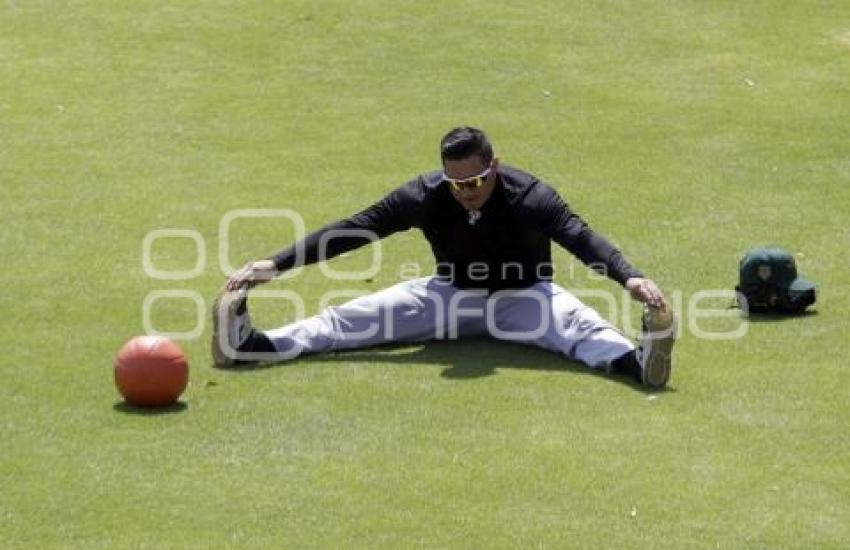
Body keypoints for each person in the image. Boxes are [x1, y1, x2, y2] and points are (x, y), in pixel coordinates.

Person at [212, 126, 676, 387]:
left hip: (526, 299)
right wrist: (277, 263)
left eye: (475, 181)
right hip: (449, 295)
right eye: (456, 184)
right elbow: (358, 228)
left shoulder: (530, 196)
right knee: (351, 320)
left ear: (494, 166)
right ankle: (253, 345)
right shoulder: (425, 195)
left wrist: (629, 278)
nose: (466, 193)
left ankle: (641, 363)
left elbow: (580, 236)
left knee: (582, 330)